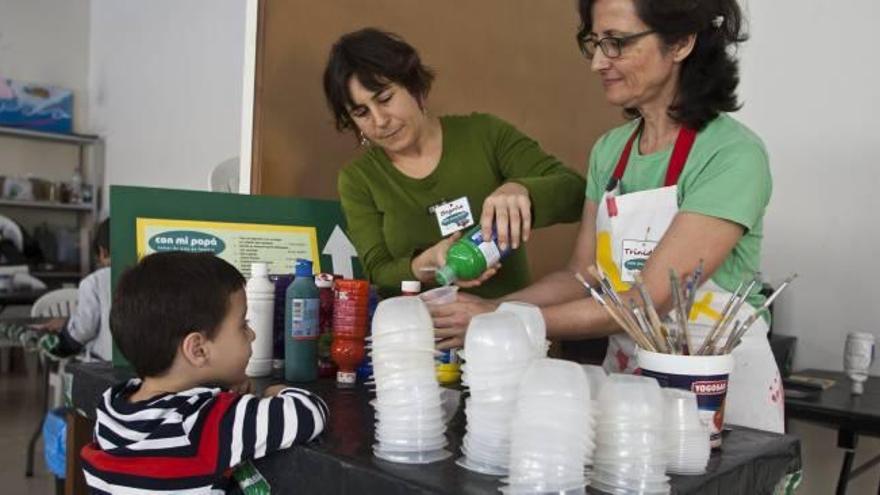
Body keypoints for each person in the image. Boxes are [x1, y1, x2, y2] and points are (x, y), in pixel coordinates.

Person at [432, 0, 783, 434]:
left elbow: (649, 302)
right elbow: (581, 276)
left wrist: (499, 315)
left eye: (616, 43)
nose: (599, 62)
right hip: (629, 382)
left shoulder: (732, 155)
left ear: (681, 42)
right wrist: (490, 311)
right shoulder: (610, 153)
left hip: (718, 394)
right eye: (594, 43)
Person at [324, 28, 585, 299]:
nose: (379, 120)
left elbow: (576, 194)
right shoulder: (359, 179)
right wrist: (426, 263)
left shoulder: (485, 134)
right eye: (361, 112)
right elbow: (379, 274)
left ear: (415, 87)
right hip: (421, 333)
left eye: (385, 99)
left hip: (504, 325)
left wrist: (522, 190)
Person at [80, 252, 328, 493]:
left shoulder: (111, 409)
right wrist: (277, 391)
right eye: (243, 324)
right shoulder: (208, 420)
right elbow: (309, 412)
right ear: (198, 349)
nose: (252, 334)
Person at [36, 218, 112, 360]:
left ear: (103, 252)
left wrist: (63, 340)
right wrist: (68, 322)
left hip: (104, 371)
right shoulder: (149, 275)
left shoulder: (94, 281)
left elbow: (83, 330)